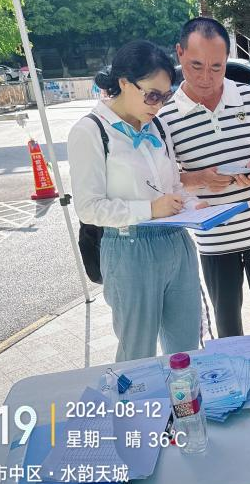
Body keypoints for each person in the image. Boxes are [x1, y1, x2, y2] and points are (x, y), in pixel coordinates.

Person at [159, 17, 250, 338]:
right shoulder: (166, 117)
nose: (206, 77)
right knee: (229, 332)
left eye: (217, 67)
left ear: (227, 58)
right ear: (179, 53)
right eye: (196, 66)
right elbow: (165, 181)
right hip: (215, 243)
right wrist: (199, 178)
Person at [68, 40, 204, 362]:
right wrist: (150, 210)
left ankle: (184, 397)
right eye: (152, 95)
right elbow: (88, 207)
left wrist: (193, 204)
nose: (158, 105)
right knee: (137, 353)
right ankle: (136, 398)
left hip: (177, 241)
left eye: (166, 96)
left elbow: (172, 184)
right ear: (125, 83)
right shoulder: (91, 131)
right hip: (129, 248)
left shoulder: (158, 126)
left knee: (186, 349)